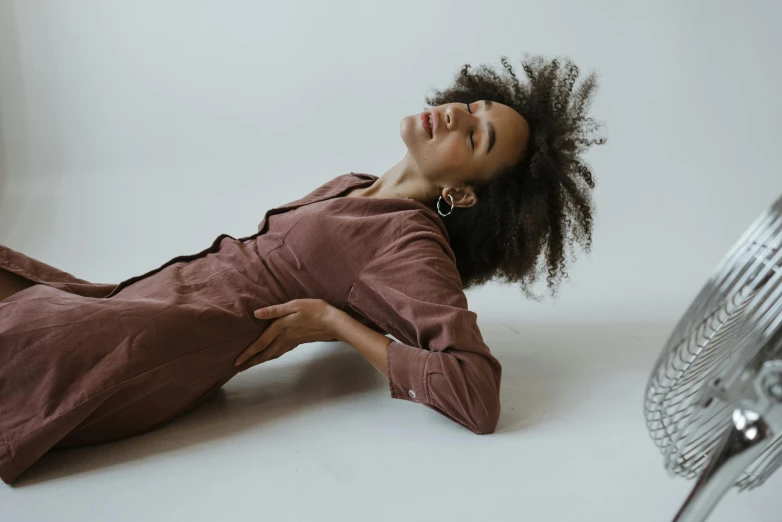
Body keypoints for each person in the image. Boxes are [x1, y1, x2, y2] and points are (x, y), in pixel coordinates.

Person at [0, 54, 604, 484]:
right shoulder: (357, 185)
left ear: (465, 196)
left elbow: (477, 395)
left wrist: (337, 325)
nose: (456, 115)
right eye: (474, 105)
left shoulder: (407, 240)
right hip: (133, 298)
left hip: (145, 341)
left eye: (476, 137)